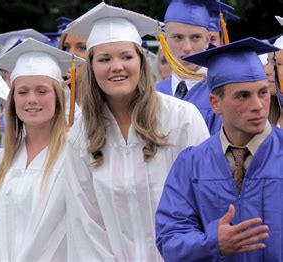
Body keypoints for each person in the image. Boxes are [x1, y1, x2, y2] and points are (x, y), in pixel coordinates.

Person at [61, 3, 210, 261]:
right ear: (92, 67)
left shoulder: (182, 119)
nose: (116, 66)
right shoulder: (80, 136)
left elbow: (205, 201)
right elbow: (86, 224)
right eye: (104, 59)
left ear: (141, 62)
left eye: (126, 57)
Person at [155, 37, 282, 261]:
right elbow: (170, 238)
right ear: (215, 104)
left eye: (262, 93)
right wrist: (212, 243)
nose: (257, 105)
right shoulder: (192, 164)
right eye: (243, 96)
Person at [0, 38, 84, 261]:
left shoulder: (76, 155)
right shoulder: (0, 161)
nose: (32, 100)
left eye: (42, 91)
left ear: (58, 98)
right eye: (23, 92)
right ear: (13, 99)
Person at [156, 0, 223, 135]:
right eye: (178, 37)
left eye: (195, 38)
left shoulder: (221, 92)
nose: (187, 48)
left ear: (207, 40)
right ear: (164, 39)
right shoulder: (154, 92)